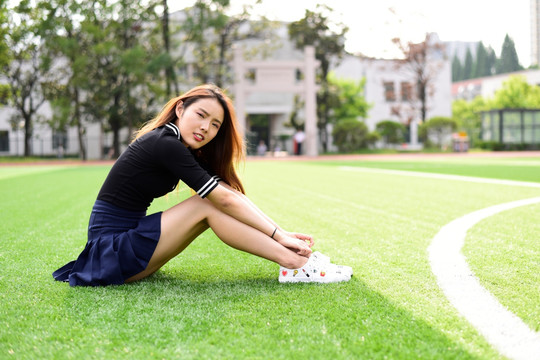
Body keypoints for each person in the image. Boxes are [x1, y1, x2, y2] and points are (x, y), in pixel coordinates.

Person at [52, 84, 351, 286]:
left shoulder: (179, 146)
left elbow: (230, 195)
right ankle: (293, 263)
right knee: (206, 203)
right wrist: (280, 236)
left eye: (215, 125)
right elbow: (223, 202)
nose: (206, 128)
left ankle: (299, 260)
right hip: (110, 252)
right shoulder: (163, 144)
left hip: (126, 252)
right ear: (180, 109)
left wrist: (280, 232)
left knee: (214, 199)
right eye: (201, 115)